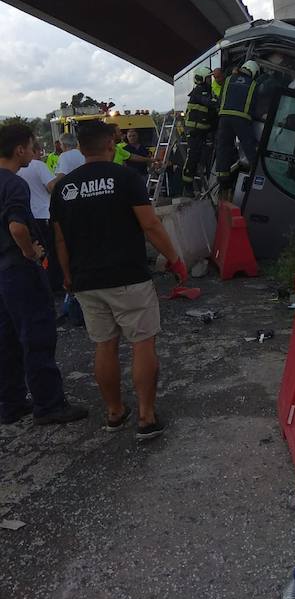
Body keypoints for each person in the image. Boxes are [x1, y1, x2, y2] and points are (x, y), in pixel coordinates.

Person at [51, 121, 188, 441]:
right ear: (111, 144)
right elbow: (151, 225)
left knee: (104, 345)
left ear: (81, 149)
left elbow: (59, 240)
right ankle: (146, 417)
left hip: (86, 280)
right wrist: (175, 260)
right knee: (142, 344)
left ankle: (114, 412)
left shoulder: (64, 188)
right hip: (128, 277)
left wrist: (68, 276)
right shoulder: (125, 178)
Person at [0, 122, 88, 426]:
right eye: (31, 143)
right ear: (19, 149)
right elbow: (17, 226)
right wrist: (30, 252)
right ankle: (48, 405)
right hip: (18, 270)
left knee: (7, 338)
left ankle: (10, 404)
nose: (35, 148)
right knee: (36, 334)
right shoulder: (14, 184)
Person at [17, 141, 62, 291]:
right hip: (44, 214)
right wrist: (61, 178)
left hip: (26, 217)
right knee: (50, 251)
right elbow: (51, 187)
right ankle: (53, 284)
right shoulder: (38, 166)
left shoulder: (15, 169)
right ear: (35, 151)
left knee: (34, 253)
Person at [215, 61, 260, 197]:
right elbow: (255, 105)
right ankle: (256, 174)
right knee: (249, 146)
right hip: (241, 119)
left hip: (224, 118)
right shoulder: (253, 84)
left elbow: (221, 97)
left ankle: (223, 182)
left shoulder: (228, 79)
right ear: (254, 72)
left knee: (223, 148)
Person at [182, 67, 218, 196]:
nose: (210, 79)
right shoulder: (199, 91)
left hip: (202, 131)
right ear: (201, 79)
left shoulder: (208, 90)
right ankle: (187, 187)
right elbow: (209, 103)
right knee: (193, 157)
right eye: (208, 77)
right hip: (195, 131)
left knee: (203, 157)